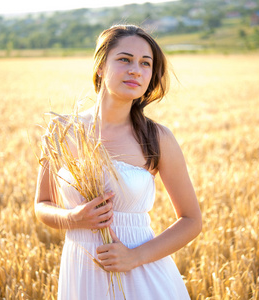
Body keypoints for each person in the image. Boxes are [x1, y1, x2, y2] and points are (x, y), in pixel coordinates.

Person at [34, 24, 202, 299]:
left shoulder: (156, 138)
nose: (135, 69)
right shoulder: (62, 131)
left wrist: (135, 257)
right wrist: (73, 218)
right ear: (100, 66)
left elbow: (191, 220)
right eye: (124, 59)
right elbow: (42, 205)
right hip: (81, 272)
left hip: (143, 276)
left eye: (145, 64)